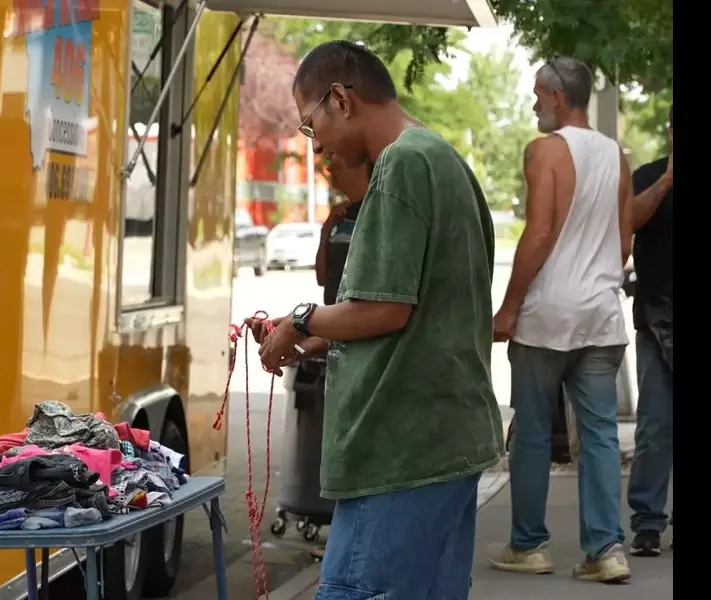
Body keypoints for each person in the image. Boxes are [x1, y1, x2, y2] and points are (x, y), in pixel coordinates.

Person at [252, 41, 503, 599]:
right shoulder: (443, 159)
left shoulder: (401, 162)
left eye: (311, 126)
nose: (316, 143)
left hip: (402, 451)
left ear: (340, 99)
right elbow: (425, 312)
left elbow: (386, 310)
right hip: (447, 444)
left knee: (356, 588)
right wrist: (314, 339)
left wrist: (300, 320)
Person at [487, 57, 634, 582]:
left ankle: (528, 546)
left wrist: (507, 307)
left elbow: (540, 233)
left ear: (554, 95)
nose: (533, 105)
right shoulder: (615, 156)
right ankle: (606, 550)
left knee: (530, 431)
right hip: (600, 314)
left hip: (547, 314)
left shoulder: (545, 150)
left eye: (536, 95)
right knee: (597, 435)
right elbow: (622, 242)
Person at [626, 105, 673, 557]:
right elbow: (628, 223)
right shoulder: (649, 176)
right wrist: (667, 180)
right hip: (657, 322)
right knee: (656, 426)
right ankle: (648, 522)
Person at [314, 158, 370, 305]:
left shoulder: (378, 214)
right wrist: (325, 231)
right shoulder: (339, 216)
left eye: (336, 156)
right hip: (335, 318)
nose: (329, 168)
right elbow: (323, 278)